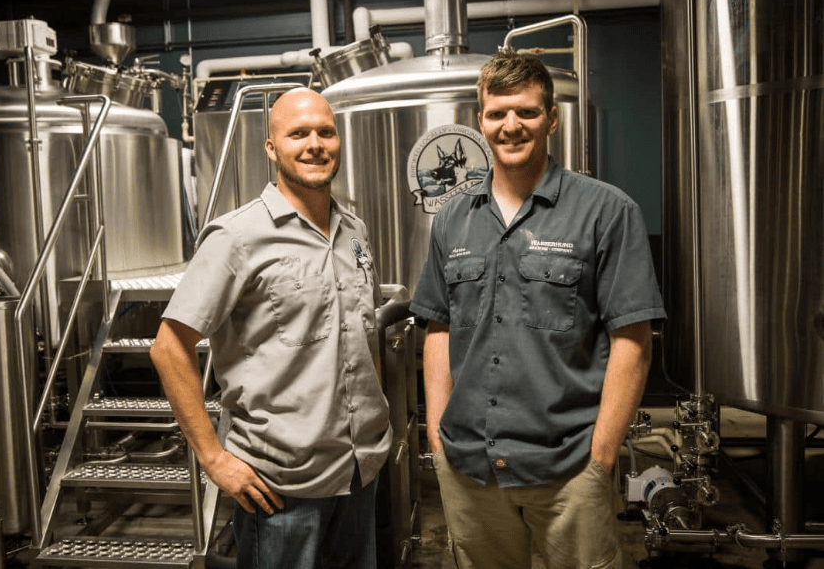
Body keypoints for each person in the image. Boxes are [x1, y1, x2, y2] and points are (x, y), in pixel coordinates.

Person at [409, 50, 666, 569]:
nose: (511, 126)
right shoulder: (453, 219)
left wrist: (601, 457)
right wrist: (438, 438)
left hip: (568, 468)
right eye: (497, 113)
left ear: (551, 118)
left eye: (526, 112)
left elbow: (633, 340)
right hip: (469, 469)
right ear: (479, 121)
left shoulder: (607, 211)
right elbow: (438, 327)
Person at [150, 88, 392, 569]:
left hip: (361, 469)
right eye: (298, 133)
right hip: (280, 486)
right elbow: (168, 347)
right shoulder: (237, 236)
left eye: (325, 132)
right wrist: (215, 459)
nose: (314, 144)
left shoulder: (355, 232)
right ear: (271, 147)